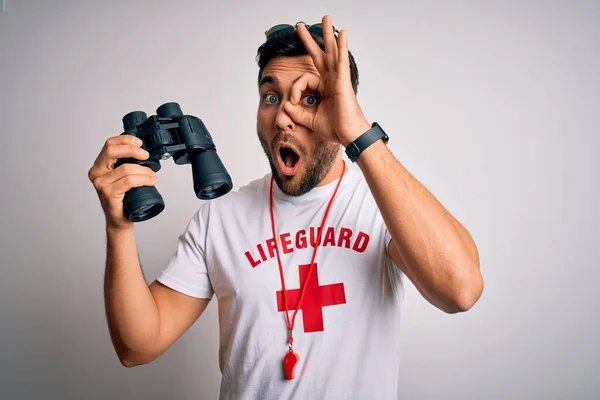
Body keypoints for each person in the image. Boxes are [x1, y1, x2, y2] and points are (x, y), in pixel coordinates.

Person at [88, 15, 483, 400]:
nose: (284, 116)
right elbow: (138, 347)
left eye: (311, 98)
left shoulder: (384, 204)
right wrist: (119, 228)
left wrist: (358, 133)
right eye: (271, 96)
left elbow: (460, 291)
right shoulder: (220, 218)